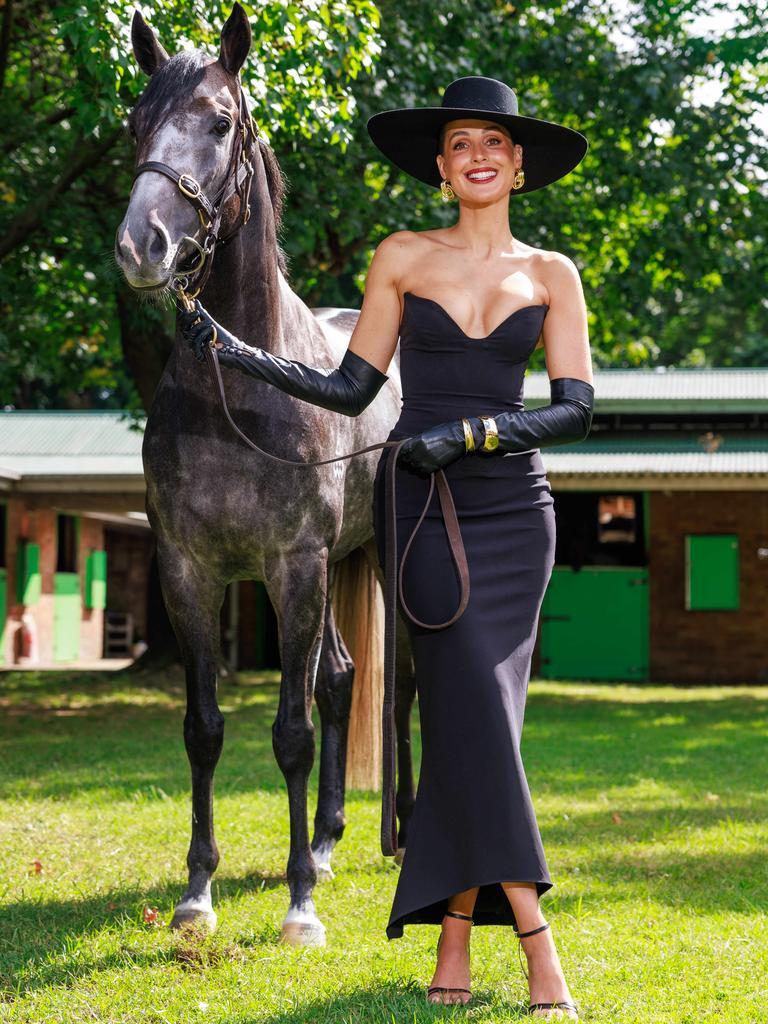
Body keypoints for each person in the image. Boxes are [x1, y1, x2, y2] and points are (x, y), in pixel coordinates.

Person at [180, 76, 593, 1020]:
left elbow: (575, 409)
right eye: (458, 144)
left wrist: (477, 437)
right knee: (467, 718)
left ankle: (454, 944)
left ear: (518, 165)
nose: (477, 155)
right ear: (442, 167)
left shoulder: (552, 273)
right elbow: (350, 383)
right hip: (421, 513)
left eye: (493, 141)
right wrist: (242, 354)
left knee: (476, 727)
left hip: (514, 517)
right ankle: (539, 948)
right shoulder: (402, 256)